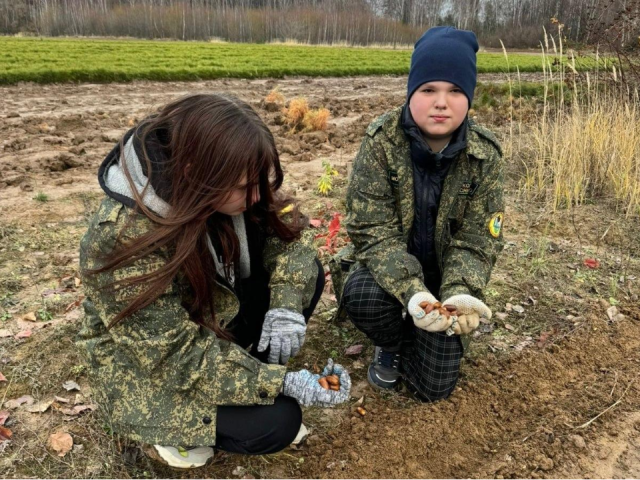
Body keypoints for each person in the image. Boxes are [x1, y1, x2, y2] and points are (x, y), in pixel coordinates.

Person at [77, 93, 351, 469]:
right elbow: (174, 357)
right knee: (278, 421)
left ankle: (245, 371)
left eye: (260, 181)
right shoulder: (122, 236)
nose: (256, 196)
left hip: (209, 316)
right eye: (242, 186)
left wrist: (285, 306)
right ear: (194, 172)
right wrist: (281, 383)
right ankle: (175, 433)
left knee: (307, 276)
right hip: (148, 363)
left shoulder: (236, 191)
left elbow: (292, 245)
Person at [340, 27, 505, 401]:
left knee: (433, 388)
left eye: (456, 91)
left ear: (470, 97)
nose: (441, 103)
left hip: (445, 278)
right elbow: (372, 231)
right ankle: (391, 342)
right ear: (411, 93)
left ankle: (423, 333)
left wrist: (459, 293)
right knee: (362, 295)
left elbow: (479, 239)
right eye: (428, 90)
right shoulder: (381, 142)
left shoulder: (485, 156)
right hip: (387, 272)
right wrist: (415, 295)